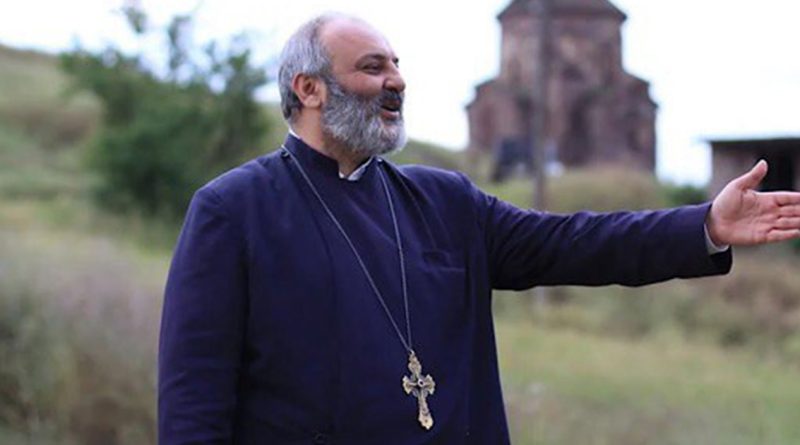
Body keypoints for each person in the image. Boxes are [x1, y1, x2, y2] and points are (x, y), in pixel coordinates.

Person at [158, 13, 800, 445]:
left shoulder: (445, 202)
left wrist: (704, 224)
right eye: (373, 68)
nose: (396, 81)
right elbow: (193, 403)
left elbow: (575, 244)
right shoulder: (233, 211)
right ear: (309, 88)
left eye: (396, 66)